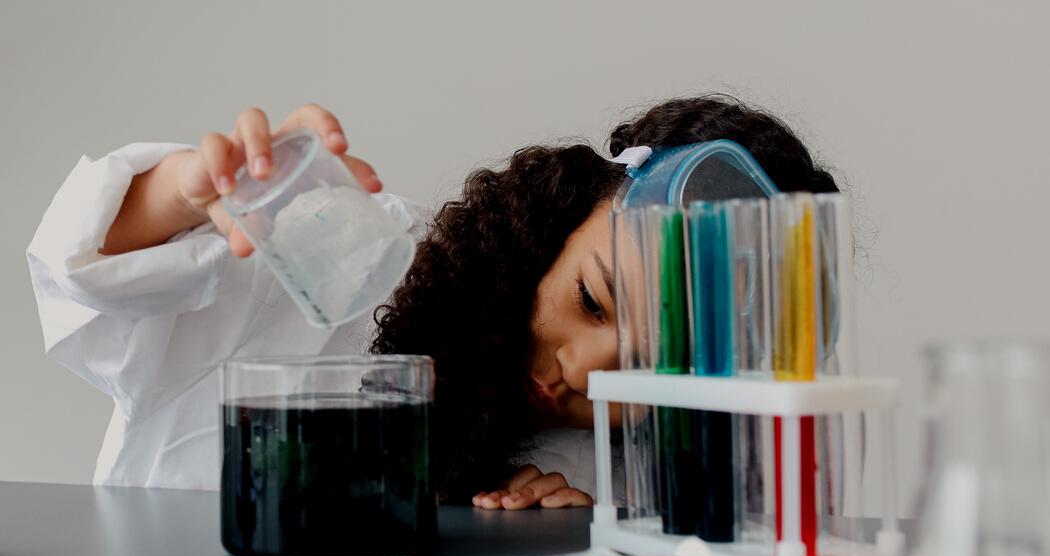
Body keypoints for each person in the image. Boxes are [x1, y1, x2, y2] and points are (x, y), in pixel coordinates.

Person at [27, 94, 838, 507]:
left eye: (653, 367)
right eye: (592, 301)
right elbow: (89, 279)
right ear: (562, 218)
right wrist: (184, 193)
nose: (584, 371)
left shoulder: (635, 479)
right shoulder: (353, 259)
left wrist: (576, 550)